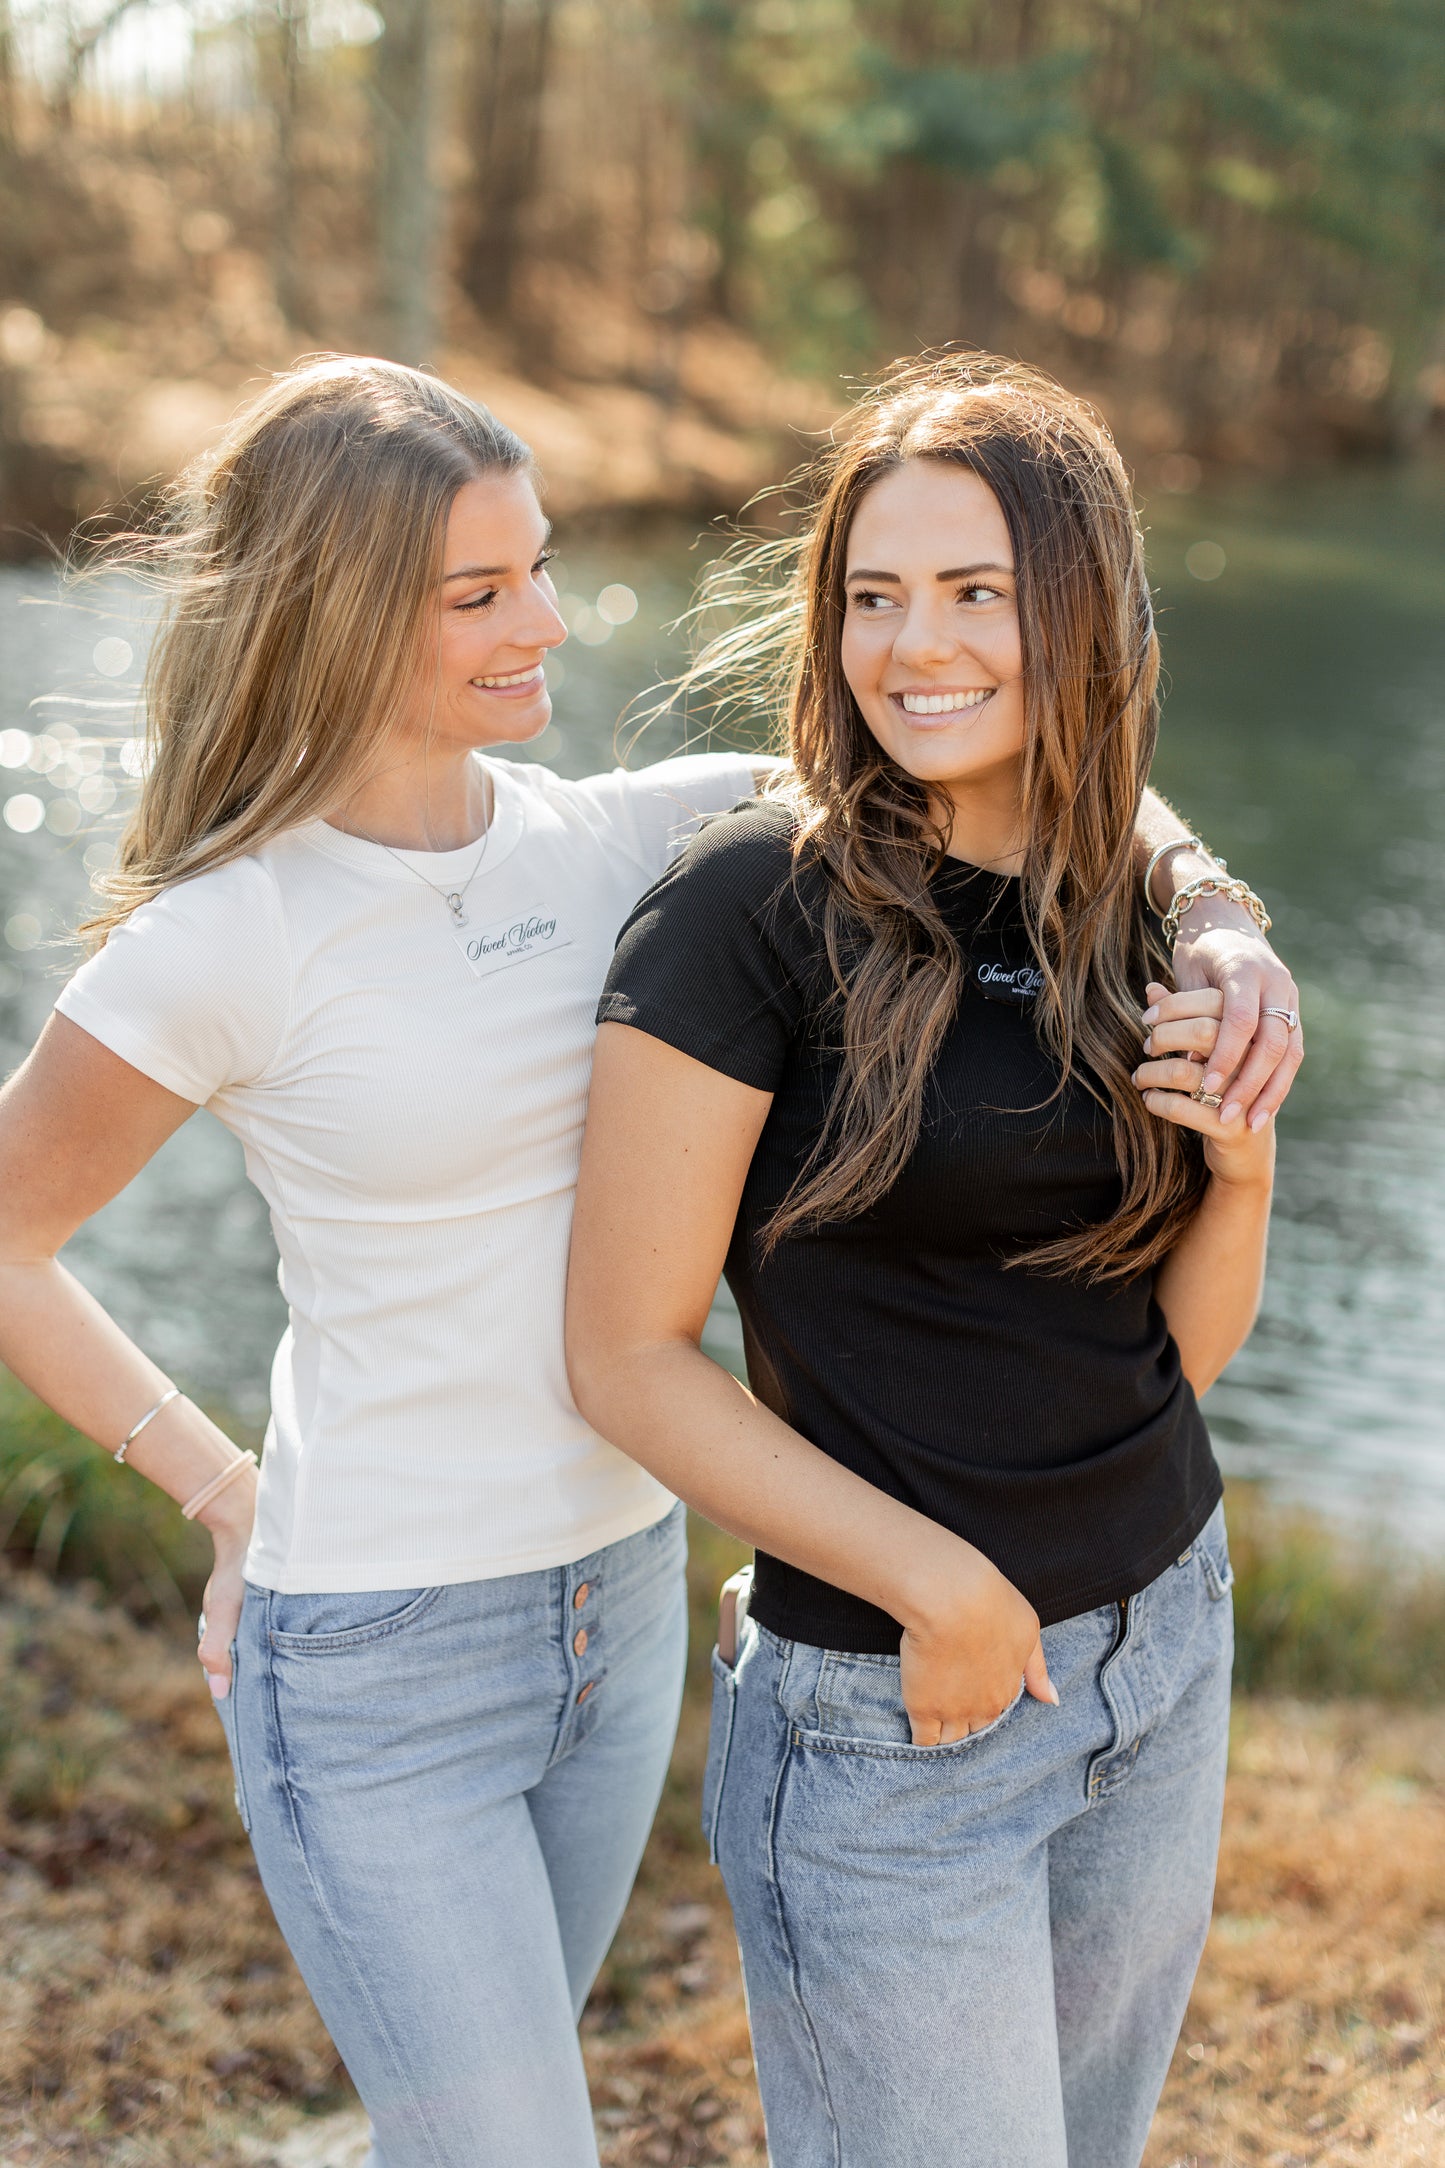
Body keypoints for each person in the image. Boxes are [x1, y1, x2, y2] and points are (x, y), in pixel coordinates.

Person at [0, 354, 1293, 2168]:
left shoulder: (603, 836)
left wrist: (1224, 924)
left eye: (535, 563)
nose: (544, 613)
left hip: (612, 1607)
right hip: (375, 1643)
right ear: (338, 612)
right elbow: (6, 1240)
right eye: (481, 591)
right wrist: (216, 1488)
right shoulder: (228, 937)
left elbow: (997, 740)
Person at [566, 352, 1289, 2168]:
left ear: (1082, 606)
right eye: (874, 596)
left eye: (977, 592)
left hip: (1161, 1647)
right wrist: (938, 1588)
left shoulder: (1127, 903)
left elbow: (1168, 1358)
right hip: (900, 1717)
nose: (917, 645)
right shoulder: (748, 910)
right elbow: (625, 1355)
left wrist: (1245, 1176)